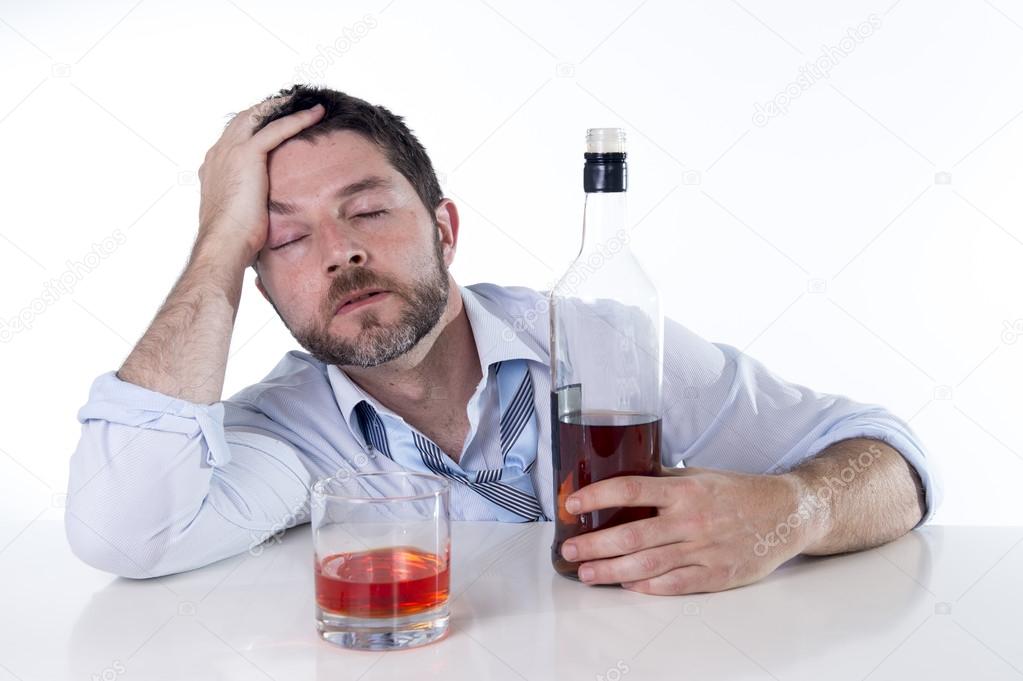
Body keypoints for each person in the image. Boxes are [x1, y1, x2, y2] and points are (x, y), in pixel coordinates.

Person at [65, 85, 941, 595]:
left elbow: (889, 461)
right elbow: (126, 531)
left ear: (444, 228)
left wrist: (793, 512)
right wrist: (217, 240)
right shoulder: (288, 433)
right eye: (285, 238)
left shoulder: (600, 345)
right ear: (254, 277)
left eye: (367, 209)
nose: (343, 252)